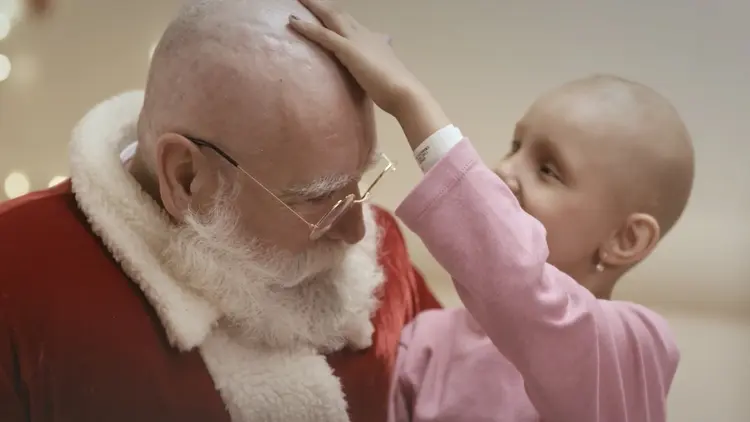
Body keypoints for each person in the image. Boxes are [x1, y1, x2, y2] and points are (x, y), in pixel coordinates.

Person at [0, 1, 442, 421]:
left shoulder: (387, 263)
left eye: (359, 180)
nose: (358, 231)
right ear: (187, 178)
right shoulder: (17, 281)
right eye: (317, 198)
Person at [288, 1, 695, 421]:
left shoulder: (632, 346)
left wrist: (407, 100)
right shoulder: (428, 341)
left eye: (549, 170)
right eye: (515, 146)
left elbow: (521, 286)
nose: (503, 170)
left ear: (624, 240)